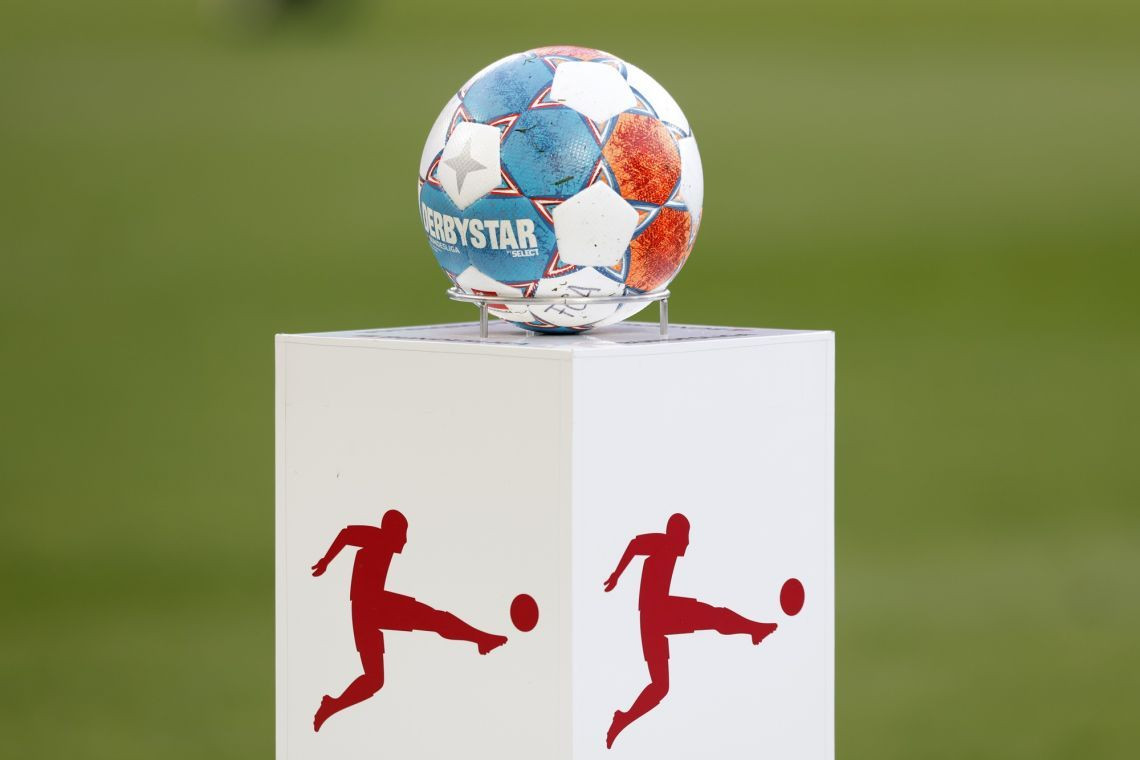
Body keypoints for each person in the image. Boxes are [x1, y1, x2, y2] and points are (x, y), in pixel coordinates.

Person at [311, 509, 507, 732]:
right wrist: (326, 560)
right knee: (435, 620)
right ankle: (480, 639)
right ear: (392, 531)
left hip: (365, 611)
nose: (405, 540)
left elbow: (347, 536)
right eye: (403, 533)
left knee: (375, 679)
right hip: (374, 605)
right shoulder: (377, 537)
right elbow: (346, 534)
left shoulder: (382, 542)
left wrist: (327, 561)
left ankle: (332, 705)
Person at [603, 513, 777, 749]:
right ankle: (753, 629)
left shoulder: (669, 548)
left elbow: (635, 548)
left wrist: (618, 576)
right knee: (714, 617)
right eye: (686, 536)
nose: (688, 542)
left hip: (651, 619)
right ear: (677, 535)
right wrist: (616, 575)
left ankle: (623, 719)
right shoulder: (663, 542)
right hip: (660, 610)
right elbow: (634, 545)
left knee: (661, 686)